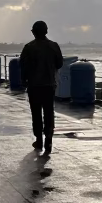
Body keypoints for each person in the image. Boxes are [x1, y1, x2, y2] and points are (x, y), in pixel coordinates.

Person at [19, 20, 63, 154]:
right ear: (46, 31)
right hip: (49, 85)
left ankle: (39, 139)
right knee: (49, 112)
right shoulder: (54, 46)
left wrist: (24, 81)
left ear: (34, 32)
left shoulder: (28, 47)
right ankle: (48, 138)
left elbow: (22, 65)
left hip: (34, 86)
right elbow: (60, 63)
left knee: (36, 113)